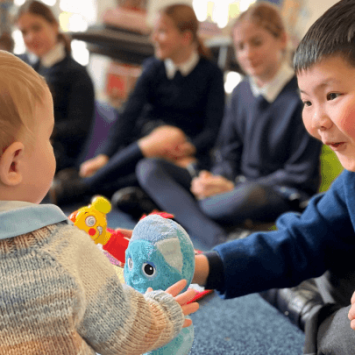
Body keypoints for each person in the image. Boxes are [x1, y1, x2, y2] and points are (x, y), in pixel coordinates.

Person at [0, 50, 199, 354]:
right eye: (49, 140)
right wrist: (165, 310)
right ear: (13, 165)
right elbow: (124, 330)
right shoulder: (63, 247)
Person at [192, 1, 355, 353]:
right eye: (307, 102)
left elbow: (296, 175)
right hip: (252, 197)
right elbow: (300, 240)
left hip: (278, 192)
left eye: (332, 95)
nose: (317, 121)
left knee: (337, 335)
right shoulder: (350, 184)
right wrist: (201, 265)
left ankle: (310, 313)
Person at [136, 1, 322, 247]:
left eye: (257, 42)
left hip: (272, 193)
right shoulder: (240, 91)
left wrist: (232, 186)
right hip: (232, 188)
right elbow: (227, 153)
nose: (247, 54)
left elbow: (300, 173)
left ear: (282, 40)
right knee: (149, 168)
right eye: (241, 46)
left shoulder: (303, 96)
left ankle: (185, 214)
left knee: (235, 198)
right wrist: (216, 180)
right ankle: (220, 237)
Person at [49, 3, 225, 206]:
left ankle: (86, 187)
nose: (154, 38)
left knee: (180, 158)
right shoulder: (152, 68)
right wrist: (104, 156)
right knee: (166, 138)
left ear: (186, 37)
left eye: (162, 31)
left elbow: (213, 129)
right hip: (147, 139)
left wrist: (190, 147)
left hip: (182, 150)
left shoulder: (211, 74)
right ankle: (113, 192)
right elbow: (128, 116)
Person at [15, 0, 95, 174]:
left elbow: (79, 127)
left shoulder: (77, 74)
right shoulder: (32, 67)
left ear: (54, 26)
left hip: (56, 156)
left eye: (36, 28)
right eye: (24, 32)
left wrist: (40, 132)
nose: (30, 37)